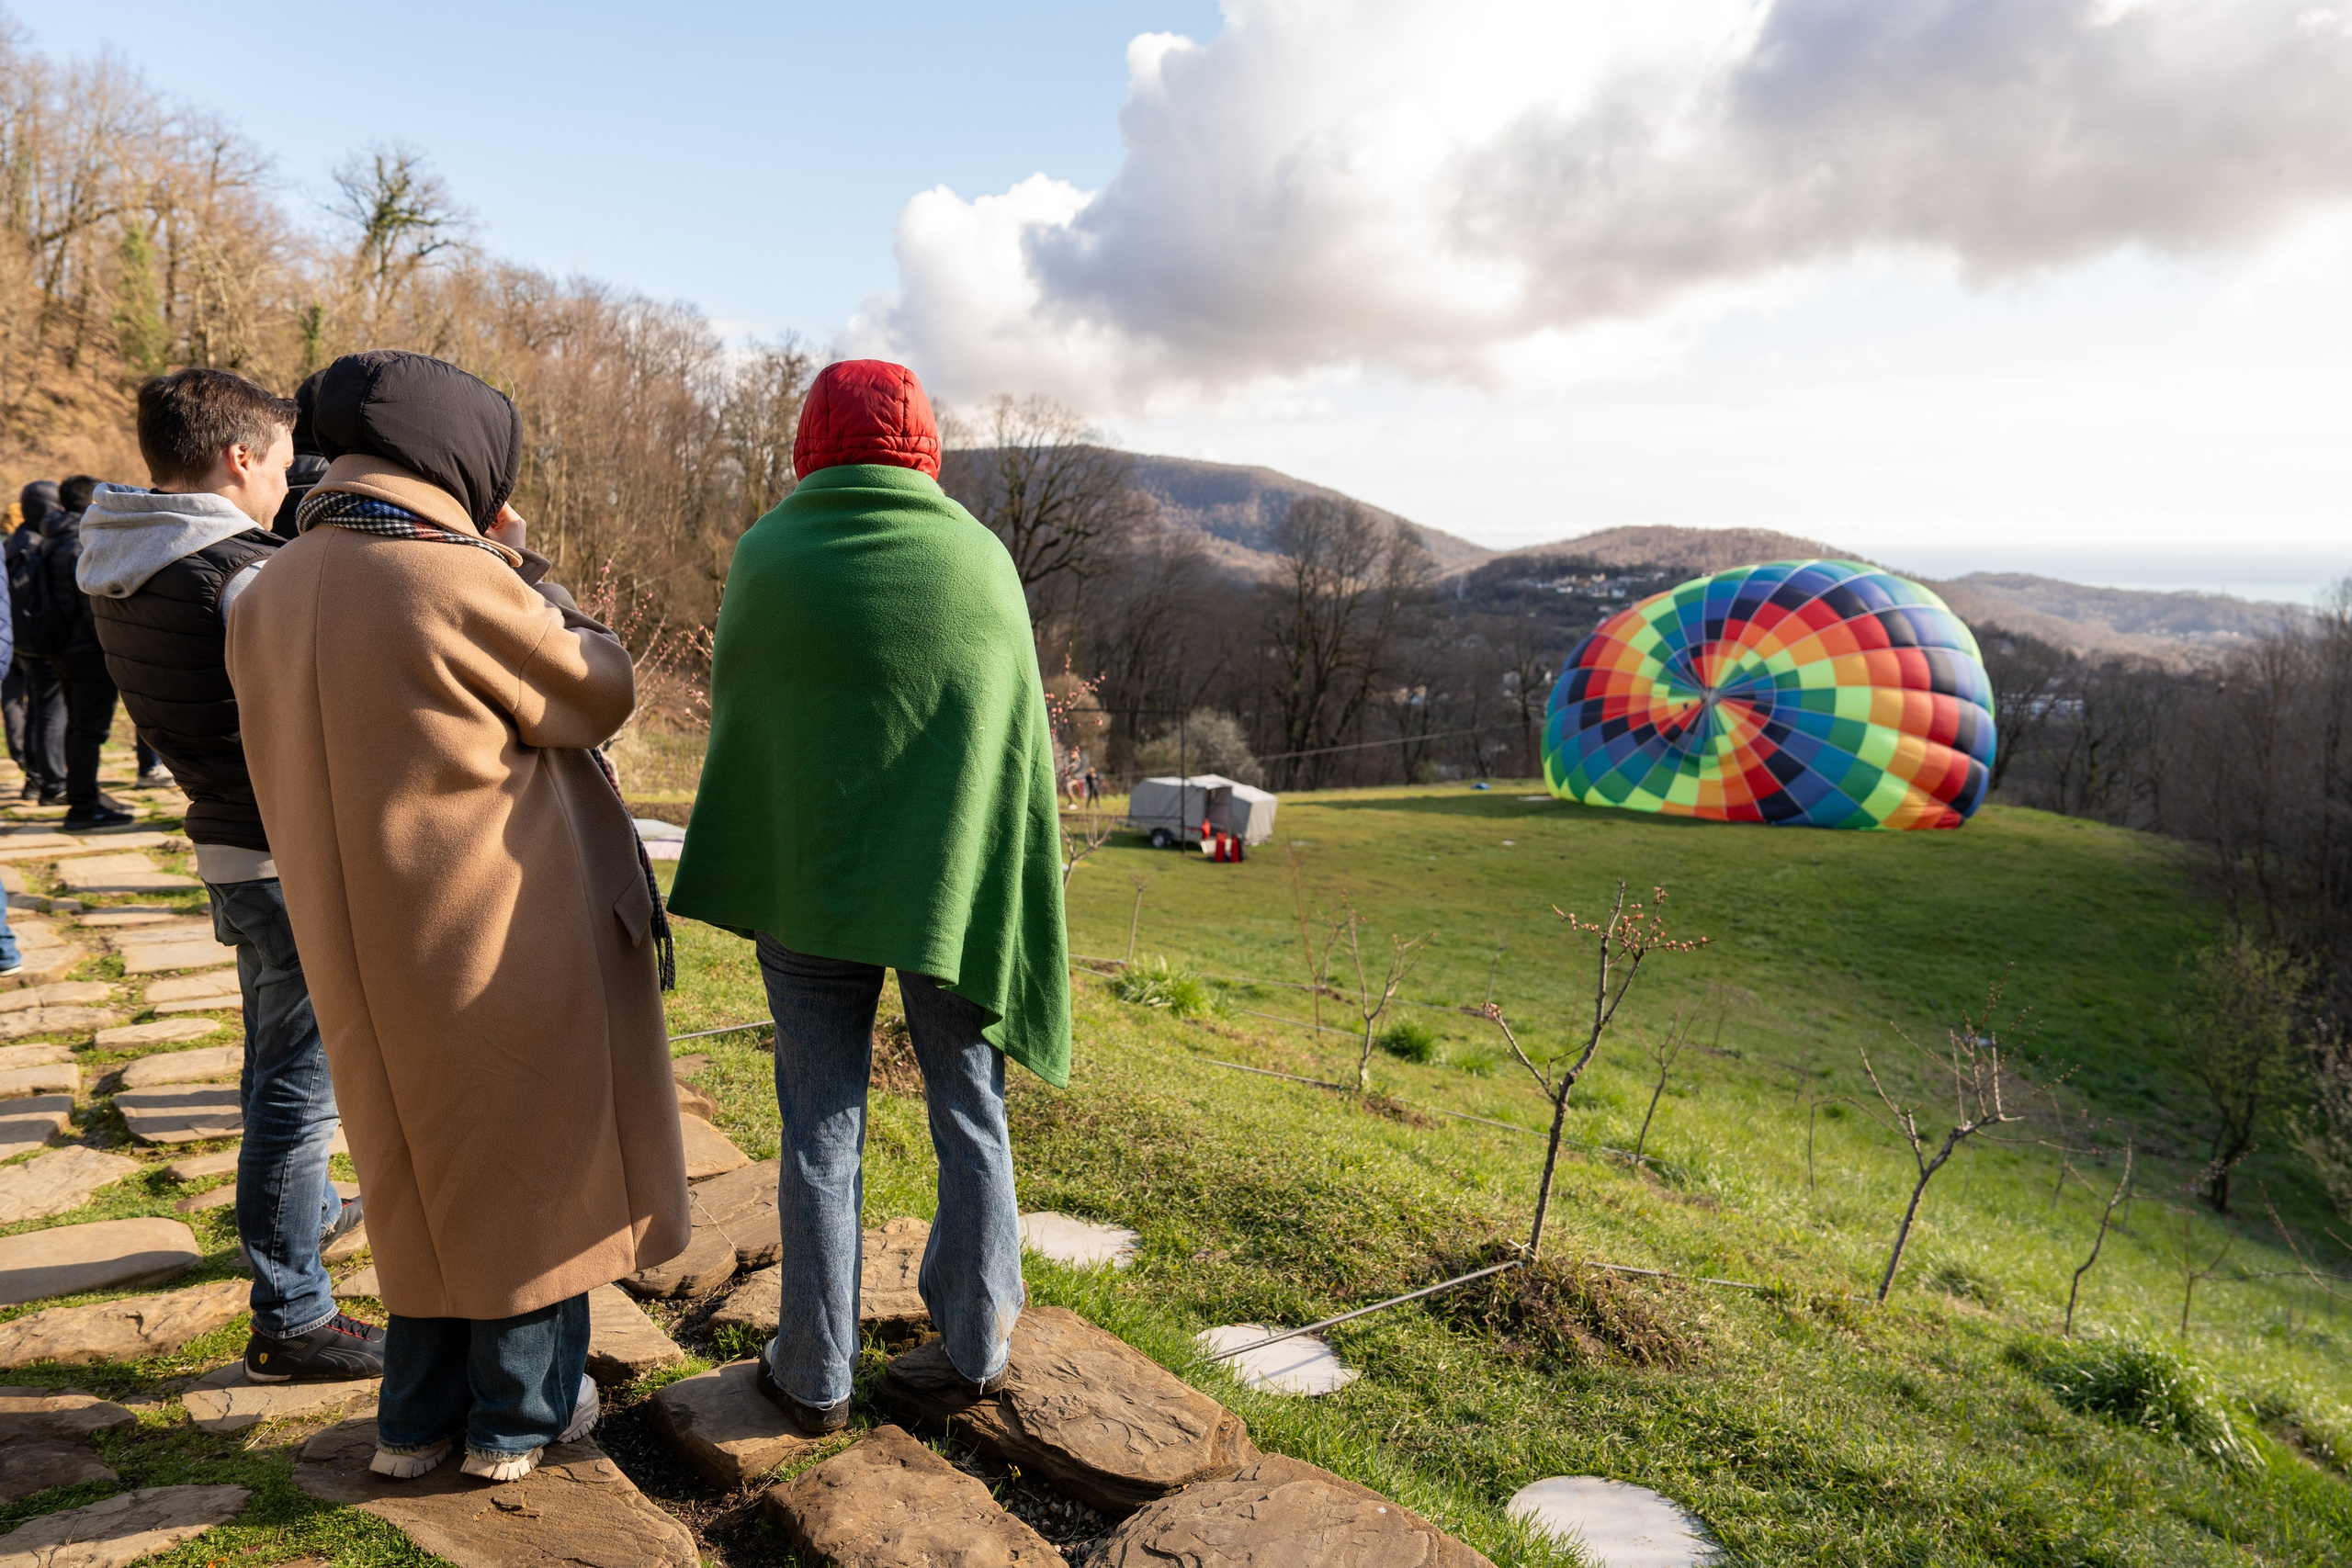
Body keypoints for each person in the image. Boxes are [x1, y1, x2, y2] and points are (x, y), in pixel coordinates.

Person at [227, 348, 690, 1483]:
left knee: (416, 1175)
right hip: (492, 924)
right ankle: (518, 1419)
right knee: (532, 1167)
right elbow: (596, 691)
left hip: (357, 936)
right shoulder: (452, 577)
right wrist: (525, 564)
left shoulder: (269, 587)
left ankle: (412, 1420)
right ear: (463, 463)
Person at [669, 358, 1069, 1435]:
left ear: (811, 442)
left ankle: (811, 1377)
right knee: (970, 1111)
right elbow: (1013, 748)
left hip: (807, 889)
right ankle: (977, 1347)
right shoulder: (981, 559)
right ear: (925, 447)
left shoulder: (767, 553)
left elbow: (749, 713)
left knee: (817, 1127)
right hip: (952, 895)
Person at [78, 367, 380, 1382]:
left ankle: (303, 1215)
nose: (289, 484)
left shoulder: (124, 552)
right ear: (239, 457)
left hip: (229, 845)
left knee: (274, 1069)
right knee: (300, 1091)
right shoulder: (241, 574)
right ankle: (293, 1316)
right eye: (284, 463)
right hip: (289, 850)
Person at [30, 475, 134, 830]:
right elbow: (92, 606)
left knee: (78, 726)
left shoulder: (50, 537)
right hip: (88, 652)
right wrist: (115, 646)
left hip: (61, 648)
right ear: (92, 501)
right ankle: (83, 808)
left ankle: (86, 793)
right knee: (90, 730)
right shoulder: (81, 542)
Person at [4, 482, 64, 801]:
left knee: (38, 709)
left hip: (23, 640)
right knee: (50, 711)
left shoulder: (18, 539)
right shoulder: (35, 544)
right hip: (41, 640)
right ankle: (50, 782)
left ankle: (35, 778)